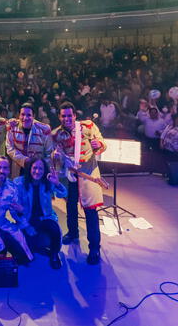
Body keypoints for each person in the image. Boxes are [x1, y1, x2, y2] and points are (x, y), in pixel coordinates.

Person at [52, 101, 108, 265]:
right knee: (70, 206)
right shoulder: (56, 134)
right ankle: (73, 233)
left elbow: (102, 142)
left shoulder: (89, 126)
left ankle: (94, 248)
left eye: (70, 115)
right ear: (59, 117)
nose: (67, 118)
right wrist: (56, 157)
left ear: (75, 115)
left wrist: (100, 145)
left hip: (89, 174)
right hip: (71, 175)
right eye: (64, 116)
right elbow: (56, 157)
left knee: (91, 212)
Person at [13, 157, 67, 269]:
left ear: (44, 171)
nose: (37, 171)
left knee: (55, 231)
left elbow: (63, 194)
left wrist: (57, 183)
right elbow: (14, 210)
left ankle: (54, 255)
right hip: (27, 218)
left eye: (41, 169)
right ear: (29, 168)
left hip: (45, 217)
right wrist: (26, 226)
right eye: (35, 168)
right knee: (28, 251)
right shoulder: (19, 183)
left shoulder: (47, 181)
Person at [5, 102, 53, 178]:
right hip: (18, 169)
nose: (25, 118)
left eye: (29, 115)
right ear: (19, 115)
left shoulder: (43, 129)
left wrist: (40, 165)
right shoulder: (12, 127)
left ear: (34, 116)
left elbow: (49, 152)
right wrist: (24, 160)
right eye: (23, 114)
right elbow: (9, 148)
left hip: (38, 171)